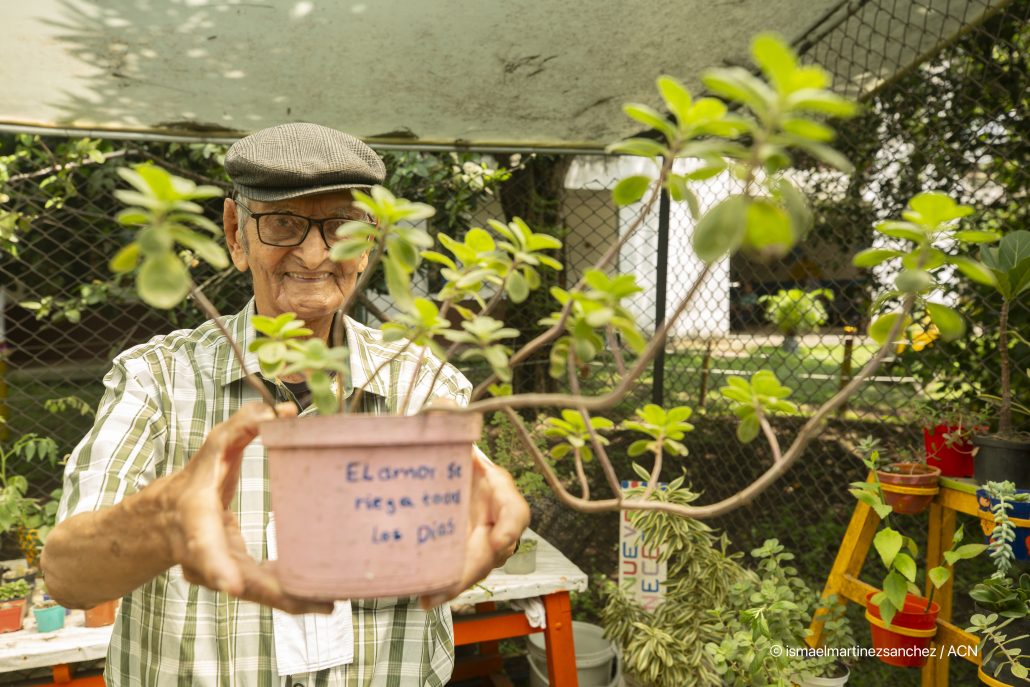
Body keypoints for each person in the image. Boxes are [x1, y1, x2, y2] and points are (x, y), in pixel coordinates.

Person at [40, 123, 531, 686]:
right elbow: (66, 574)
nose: (316, 253)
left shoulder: (419, 383)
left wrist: (488, 520)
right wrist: (166, 522)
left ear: (370, 239)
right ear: (235, 232)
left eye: (342, 225)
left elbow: (474, 511)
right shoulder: (156, 379)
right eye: (283, 223)